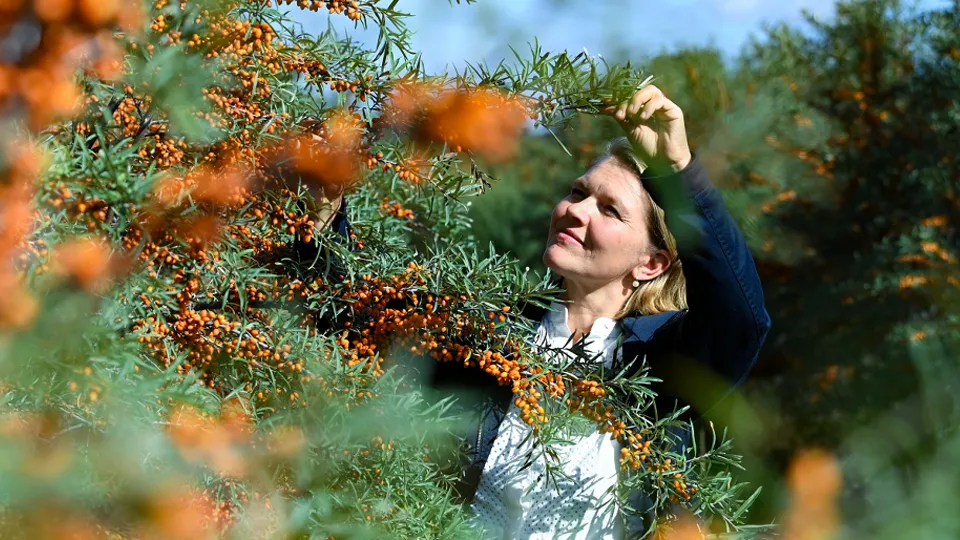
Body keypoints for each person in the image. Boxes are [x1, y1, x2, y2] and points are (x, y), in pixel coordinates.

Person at [305, 84, 771, 539]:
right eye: (578, 192)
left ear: (651, 264)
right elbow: (354, 318)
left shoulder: (659, 368)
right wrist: (323, 213)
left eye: (610, 210)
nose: (576, 211)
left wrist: (677, 172)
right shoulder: (488, 333)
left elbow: (740, 319)